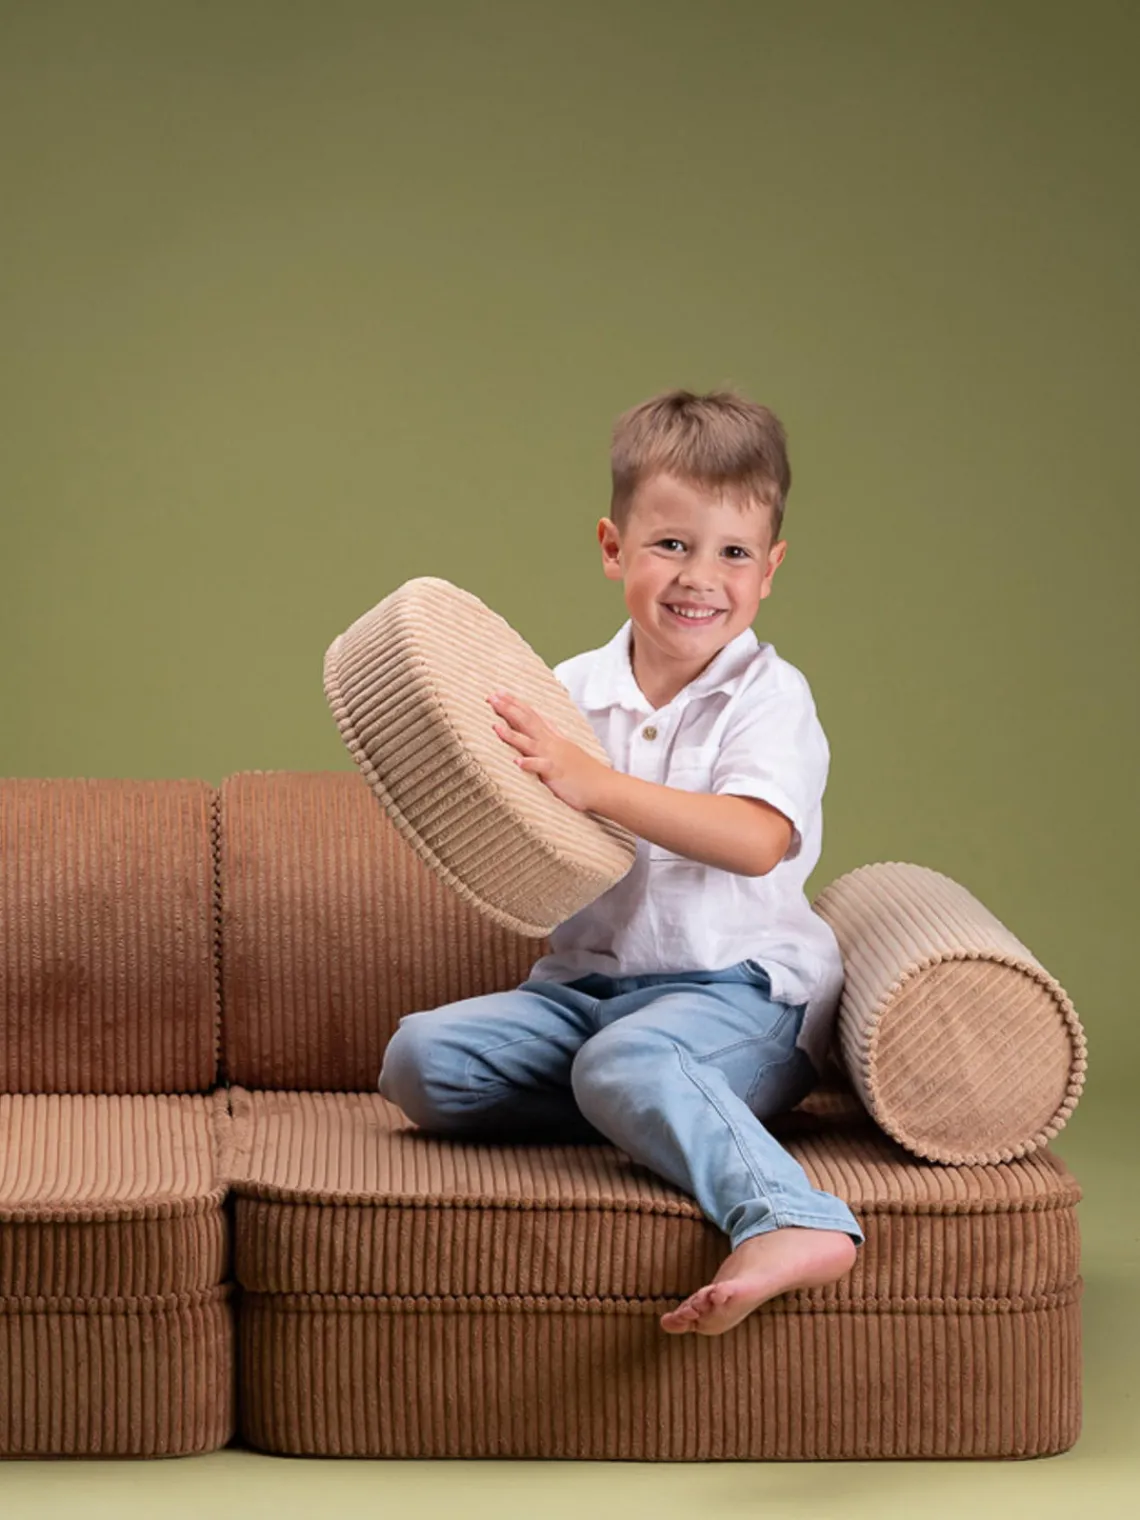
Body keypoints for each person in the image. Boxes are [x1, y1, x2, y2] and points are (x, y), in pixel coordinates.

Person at [379, 387, 863, 1335]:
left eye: (733, 553)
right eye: (671, 544)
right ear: (613, 548)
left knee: (630, 1058)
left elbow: (755, 838)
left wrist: (595, 785)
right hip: (587, 993)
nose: (700, 578)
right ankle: (652, 1097)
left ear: (770, 569)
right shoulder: (565, 691)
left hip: (741, 993)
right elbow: (517, 830)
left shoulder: (769, 697)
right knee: (421, 1062)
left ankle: (791, 1217)